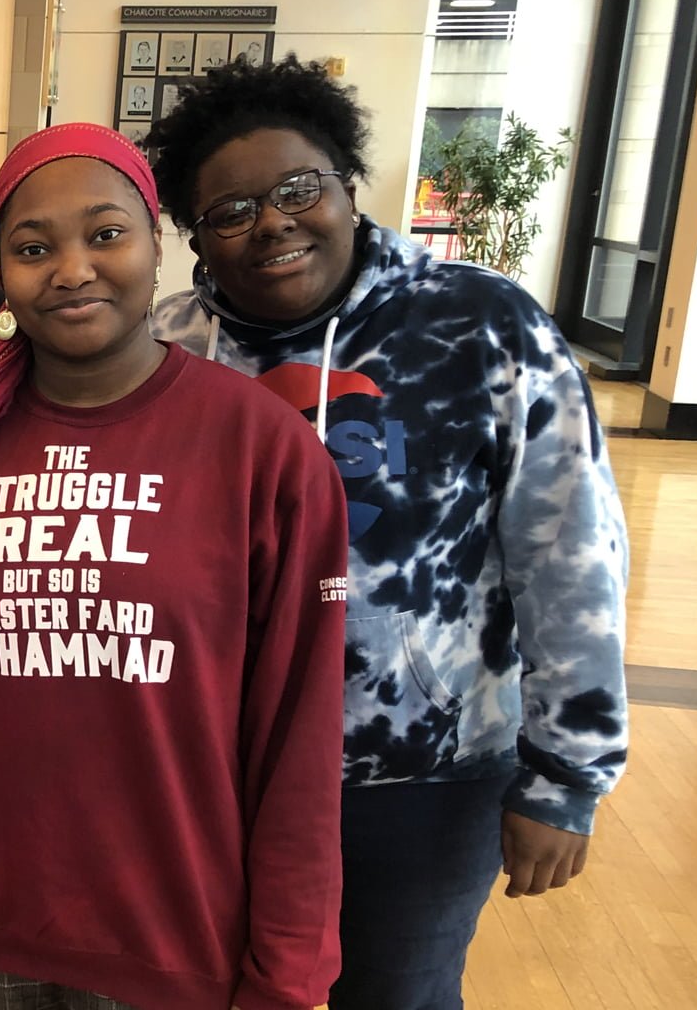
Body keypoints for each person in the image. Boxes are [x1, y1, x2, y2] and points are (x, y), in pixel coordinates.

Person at [0, 123, 351, 1010]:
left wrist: (289, 972)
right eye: (32, 247)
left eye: (106, 234)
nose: (70, 269)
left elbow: (299, 732)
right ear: (2, 272)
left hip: (172, 942)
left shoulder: (263, 450)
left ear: (158, 243)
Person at [145, 56, 630, 1010]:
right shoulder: (165, 351)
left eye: (298, 189)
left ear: (346, 182)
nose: (273, 223)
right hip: (211, 774)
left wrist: (568, 776)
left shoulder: (482, 326)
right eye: (231, 210)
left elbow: (570, 556)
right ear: (195, 234)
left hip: (423, 777)